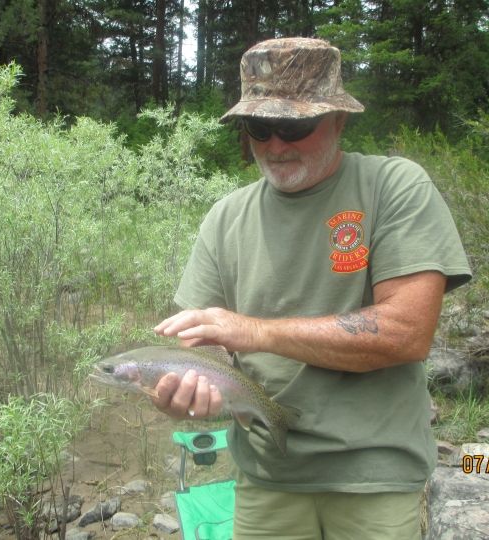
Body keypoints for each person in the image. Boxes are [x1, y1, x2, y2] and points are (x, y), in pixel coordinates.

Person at [153, 37, 472, 539]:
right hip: (266, 477)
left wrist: (256, 332)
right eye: (260, 127)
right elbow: (208, 351)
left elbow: (407, 332)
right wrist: (189, 392)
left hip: (375, 477)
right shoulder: (225, 218)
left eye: (295, 126)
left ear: (338, 120)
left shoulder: (394, 186)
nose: (277, 145)